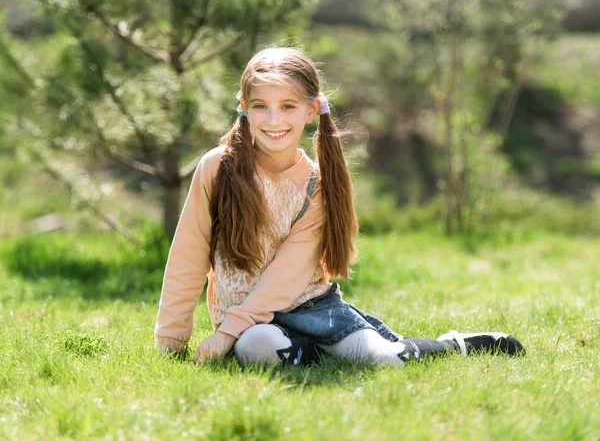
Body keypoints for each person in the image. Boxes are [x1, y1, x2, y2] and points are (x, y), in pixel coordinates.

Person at [154, 47, 525, 366]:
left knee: (385, 360)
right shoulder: (217, 167)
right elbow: (188, 256)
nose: (273, 120)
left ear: (311, 110)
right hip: (251, 323)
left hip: (312, 310)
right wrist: (172, 342)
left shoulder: (317, 184)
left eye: (287, 106)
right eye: (260, 106)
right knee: (258, 348)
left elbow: (286, 276)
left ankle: (454, 344)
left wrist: (224, 336)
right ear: (243, 107)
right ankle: (316, 355)